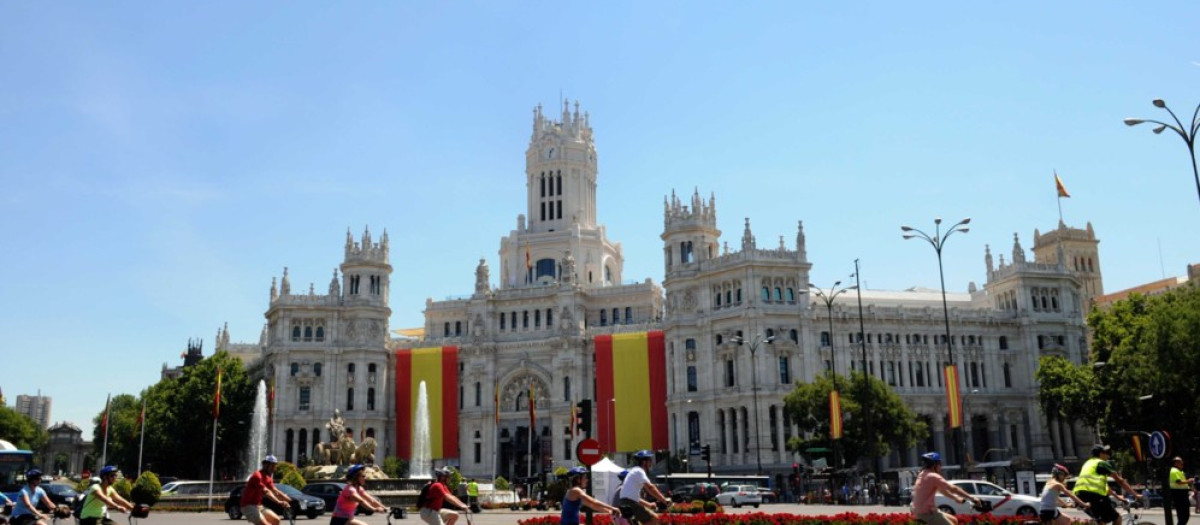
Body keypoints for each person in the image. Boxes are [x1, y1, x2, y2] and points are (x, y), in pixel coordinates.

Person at [910, 452, 981, 525]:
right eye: (940, 464)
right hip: (927, 513)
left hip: (923, 511)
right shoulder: (933, 476)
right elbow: (953, 488)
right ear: (935, 465)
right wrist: (972, 498)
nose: (941, 466)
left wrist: (955, 498)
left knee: (954, 520)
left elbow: (942, 490)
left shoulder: (923, 474)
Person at [1075, 444, 1136, 525]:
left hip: (1079, 496)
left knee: (1101, 521)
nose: (1108, 455)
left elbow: (1105, 488)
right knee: (1117, 518)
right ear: (1100, 454)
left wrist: (1117, 497)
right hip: (1094, 496)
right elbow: (1120, 481)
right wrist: (1136, 494)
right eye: (1106, 452)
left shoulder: (1087, 463)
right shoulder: (1101, 463)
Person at [618, 450, 669, 525]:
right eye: (650, 461)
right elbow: (650, 487)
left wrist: (649, 504)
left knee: (649, 519)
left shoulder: (635, 471)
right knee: (654, 519)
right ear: (644, 462)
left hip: (626, 503)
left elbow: (634, 497)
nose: (651, 464)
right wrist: (664, 500)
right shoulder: (639, 471)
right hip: (630, 503)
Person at [241, 455, 292, 525]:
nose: (274, 468)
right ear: (265, 465)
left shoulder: (268, 478)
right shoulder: (257, 476)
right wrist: (279, 502)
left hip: (258, 506)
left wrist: (288, 500)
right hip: (248, 506)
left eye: (274, 466)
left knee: (276, 520)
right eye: (272, 466)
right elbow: (267, 492)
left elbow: (275, 491)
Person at [1170, 457, 1196, 525]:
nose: (1182, 463)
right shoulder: (1174, 471)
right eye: (1180, 462)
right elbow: (1178, 482)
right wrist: (1189, 480)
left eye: (1182, 461)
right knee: (1184, 515)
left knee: (1183, 516)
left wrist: (1190, 488)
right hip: (1179, 494)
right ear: (1176, 463)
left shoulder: (1179, 471)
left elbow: (1183, 484)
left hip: (1181, 494)